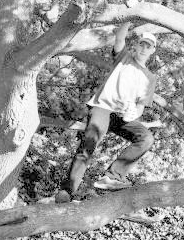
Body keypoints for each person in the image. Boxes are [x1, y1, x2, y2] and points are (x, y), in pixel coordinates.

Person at [55, 23, 158, 203]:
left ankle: (112, 176)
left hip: (122, 117)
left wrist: (132, 114)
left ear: (152, 51)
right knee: (88, 144)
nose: (143, 48)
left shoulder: (150, 78)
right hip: (103, 107)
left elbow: (140, 106)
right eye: (142, 44)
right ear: (136, 45)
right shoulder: (124, 56)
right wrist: (129, 17)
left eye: (148, 46)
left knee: (146, 138)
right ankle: (67, 191)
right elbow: (120, 37)